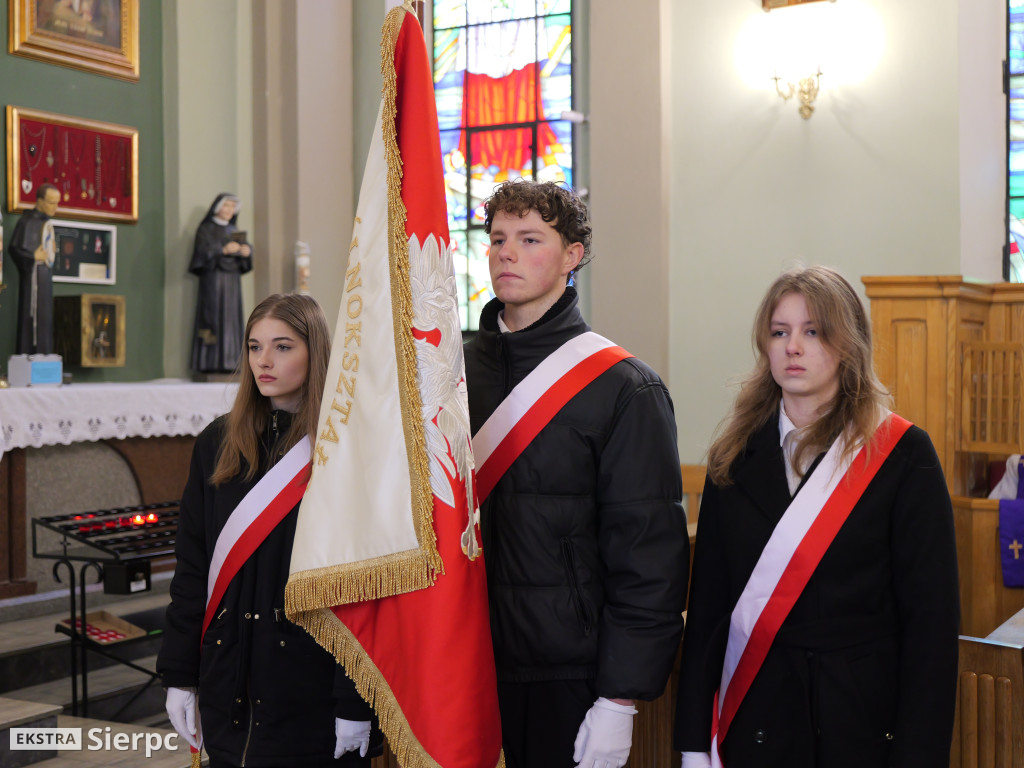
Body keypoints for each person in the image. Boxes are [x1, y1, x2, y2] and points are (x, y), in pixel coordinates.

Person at [673, 266, 960, 768]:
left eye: (813, 332)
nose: (793, 347)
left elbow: (931, 629)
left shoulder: (902, 456)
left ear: (848, 344)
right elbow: (709, 614)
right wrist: (694, 743)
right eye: (780, 332)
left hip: (860, 722)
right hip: (756, 717)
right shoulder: (733, 458)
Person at [463, 180, 689, 768]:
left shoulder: (624, 387)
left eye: (529, 238)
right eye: (496, 239)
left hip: (567, 675)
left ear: (572, 256)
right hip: (460, 659)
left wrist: (620, 697)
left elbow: (649, 557)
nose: (505, 253)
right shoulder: (449, 376)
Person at [157, 293, 380, 768]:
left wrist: (355, 701)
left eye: (282, 347)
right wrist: (180, 672)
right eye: (254, 347)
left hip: (308, 682)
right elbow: (193, 566)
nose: (264, 361)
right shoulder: (217, 442)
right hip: (226, 673)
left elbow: (361, 586)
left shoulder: (343, 445)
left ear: (315, 351)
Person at [190, 193, 253, 374]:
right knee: (212, 318)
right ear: (217, 207)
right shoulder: (206, 229)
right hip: (213, 281)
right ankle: (208, 363)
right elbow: (201, 254)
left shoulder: (234, 230)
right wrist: (222, 249)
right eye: (226, 206)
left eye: (232, 207)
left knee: (231, 321)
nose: (229, 210)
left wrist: (246, 251)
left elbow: (246, 259)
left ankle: (232, 362)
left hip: (232, 282)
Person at [10, 183, 60, 355]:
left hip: (45, 280)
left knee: (45, 322)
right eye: (51, 202)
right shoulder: (26, 222)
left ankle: (44, 358)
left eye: (57, 203)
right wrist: (33, 257)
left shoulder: (47, 224)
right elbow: (15, 249)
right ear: (39, 201)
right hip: (32, 282)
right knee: (30, 323)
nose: (55, 207)